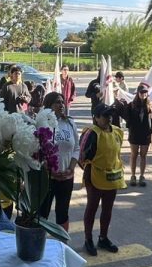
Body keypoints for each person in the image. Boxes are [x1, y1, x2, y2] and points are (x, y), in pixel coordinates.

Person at [78, 103, 125, 257]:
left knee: (107, 209)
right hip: (95, 177)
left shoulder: (117, 132)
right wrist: (87, 170)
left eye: (110, 115)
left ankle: (103, 238)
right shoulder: (91, 133)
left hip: (112, 177)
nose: (109, 118)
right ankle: (88, 240)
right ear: (96, 118)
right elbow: (81, 156)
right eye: (105, 116)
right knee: (92, 208)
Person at [37, 92, 79, 236]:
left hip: (66, 177)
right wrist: (48, 168)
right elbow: (37, 150)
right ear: (49, 105)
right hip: (47, 178)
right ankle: (39, 243)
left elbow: (76, 149)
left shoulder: (70, 123)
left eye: (62, 102)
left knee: (63, 213)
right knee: (42, 213)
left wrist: (71, 169)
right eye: (57, 102)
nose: (61, 105)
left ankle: (62, 243)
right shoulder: (43, 124)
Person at [116, 81, 152, 186]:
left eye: (145, 93)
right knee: (134, 155)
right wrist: (120, 104)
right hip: (134, 133)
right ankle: (133, 176)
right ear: (138, 93)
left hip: (145, 134)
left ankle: (142, 176)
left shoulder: (151, 106)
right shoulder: (131, 105)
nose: (143, 94)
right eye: (141, 92)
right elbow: (127, 118)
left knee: (143, 155)